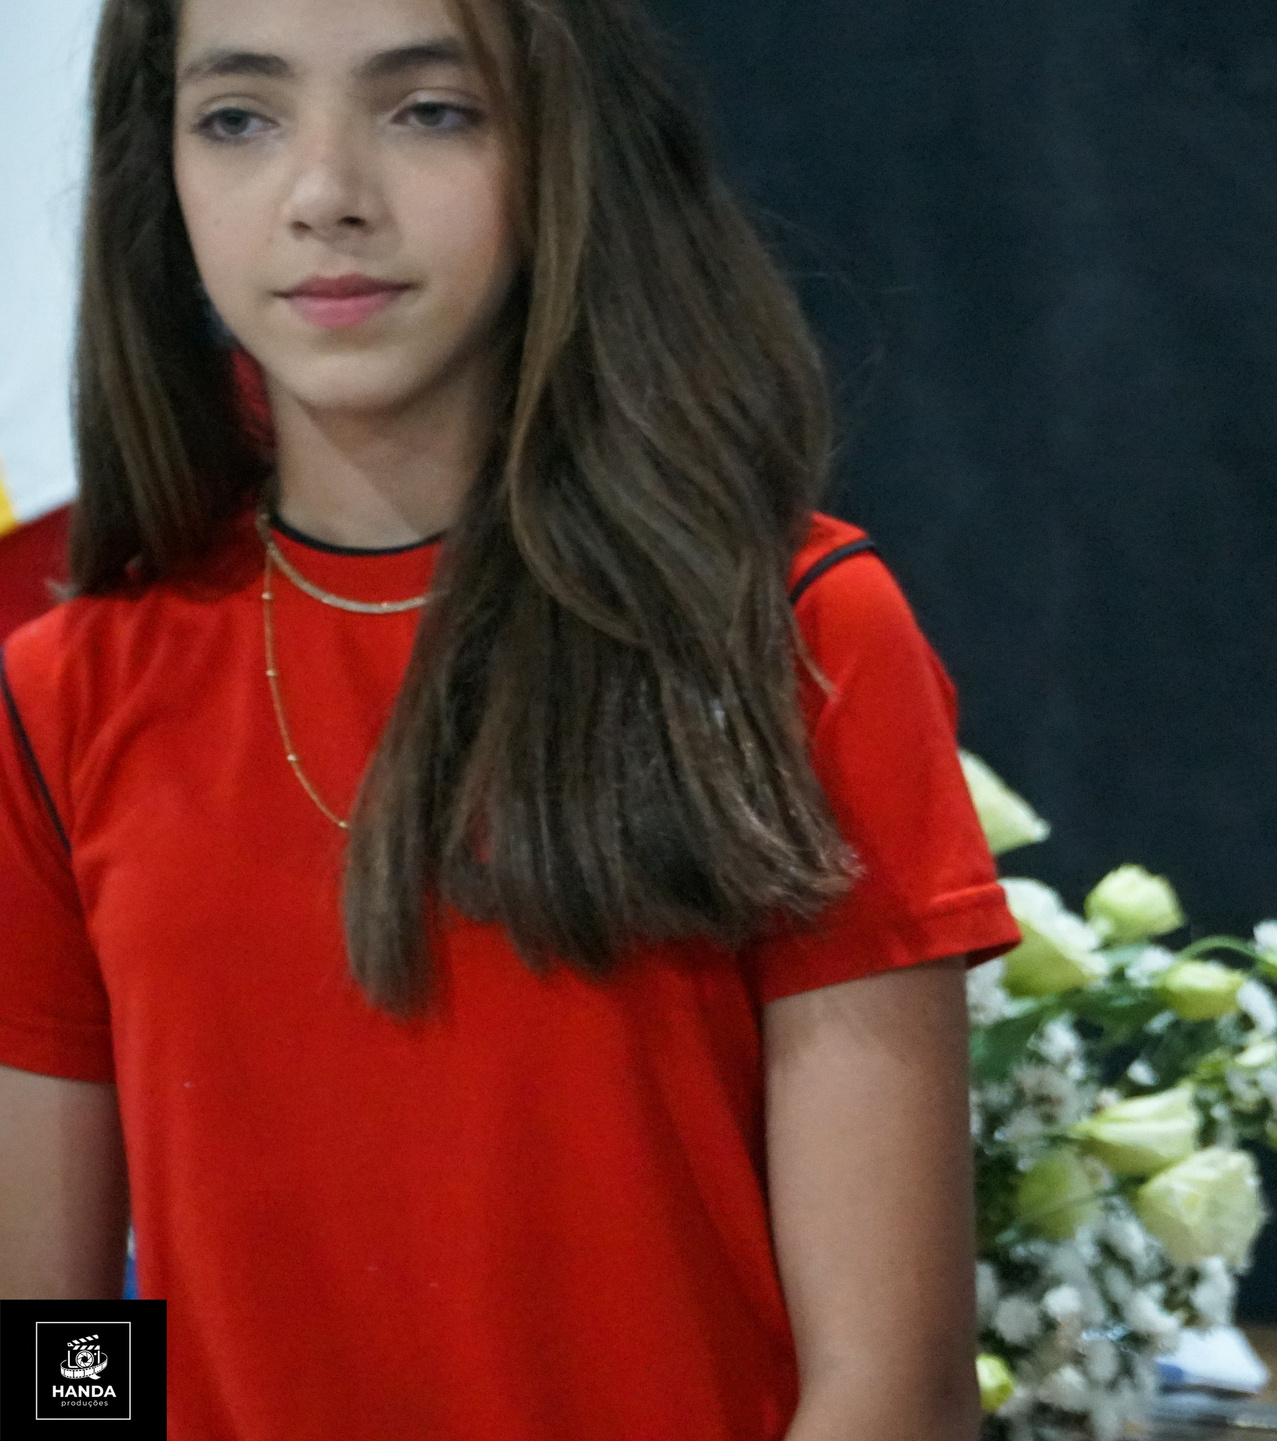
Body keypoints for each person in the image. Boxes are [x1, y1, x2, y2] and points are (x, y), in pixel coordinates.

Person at [0, 0, 1019, 1437]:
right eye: (240, 117)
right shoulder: (63, 695)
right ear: (154, 173)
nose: (325, 194)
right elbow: (54, 1341)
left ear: (561, 146)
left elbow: (891, 1385)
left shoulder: (791, 637)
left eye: (429, 109)